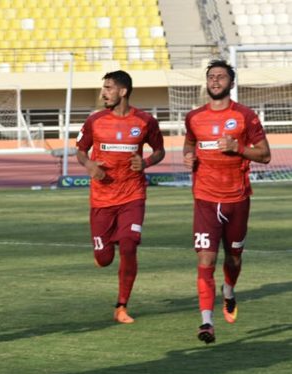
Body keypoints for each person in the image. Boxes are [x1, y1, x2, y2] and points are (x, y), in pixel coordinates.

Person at [183, 60, 271, 344]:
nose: (215, 80)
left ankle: (229, 291)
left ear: (231, 83)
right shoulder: (194, 117)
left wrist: (238, 148)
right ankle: (206, 322)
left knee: (233, 258)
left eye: (221, 76)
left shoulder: (245, 116)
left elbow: (265, 155)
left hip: (237, 199)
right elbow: (189, 143)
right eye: (211, 76)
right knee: (205, 259)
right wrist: (188, 156)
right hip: (205, 200)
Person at [76, 70, 165, 324]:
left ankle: (121, 306)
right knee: (104, 260)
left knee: (128, 245)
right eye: (103, 88)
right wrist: (90, 165)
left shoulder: (145, 121)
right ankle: (102, 251)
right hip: (102, 198)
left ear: (123, 91)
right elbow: (80, 150)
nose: (103, 93)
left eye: (108, 88)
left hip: (132, 195)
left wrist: (145, 162)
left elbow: (159, 151)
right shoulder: (95, 121)